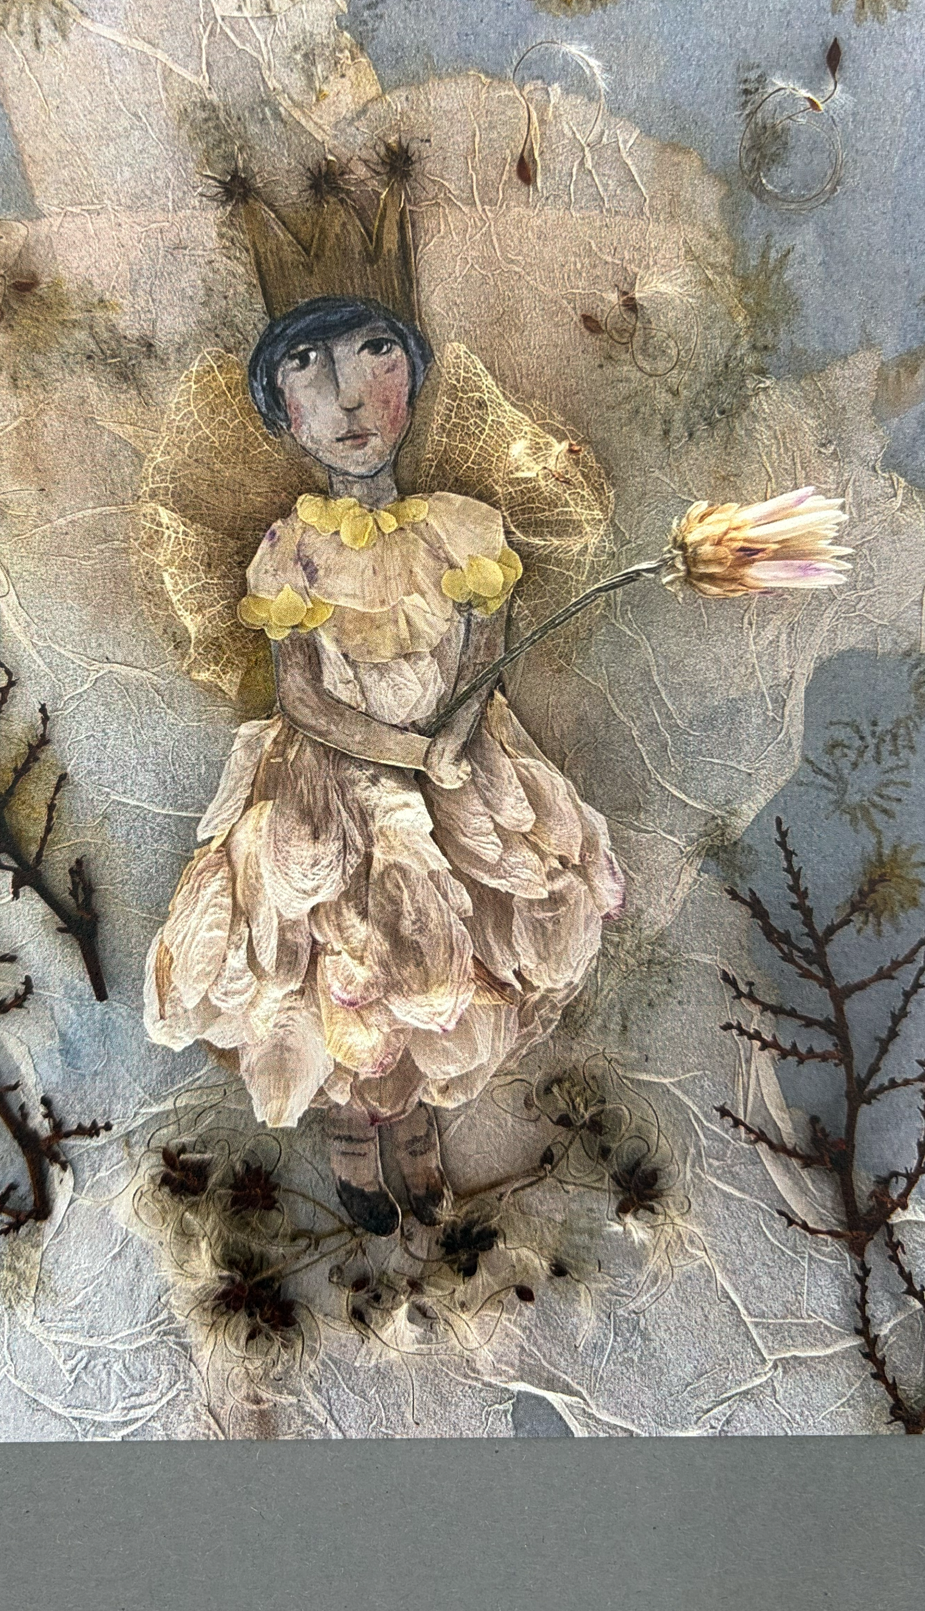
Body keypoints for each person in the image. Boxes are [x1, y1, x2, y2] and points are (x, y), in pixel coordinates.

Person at [144, 294, 625, 1234]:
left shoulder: (462, 530)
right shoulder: (291, 553)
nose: (350, 399)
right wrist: (401, 753)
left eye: (375, 356)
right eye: (308, 371)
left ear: (413, 373)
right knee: (346, 949)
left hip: (457, 767)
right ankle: (350, 1132)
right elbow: (302, 696)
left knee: (442, 952)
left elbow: (484, 654)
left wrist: (454, 736)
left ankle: (415, 1129)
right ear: (283, 414)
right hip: (334, 779)